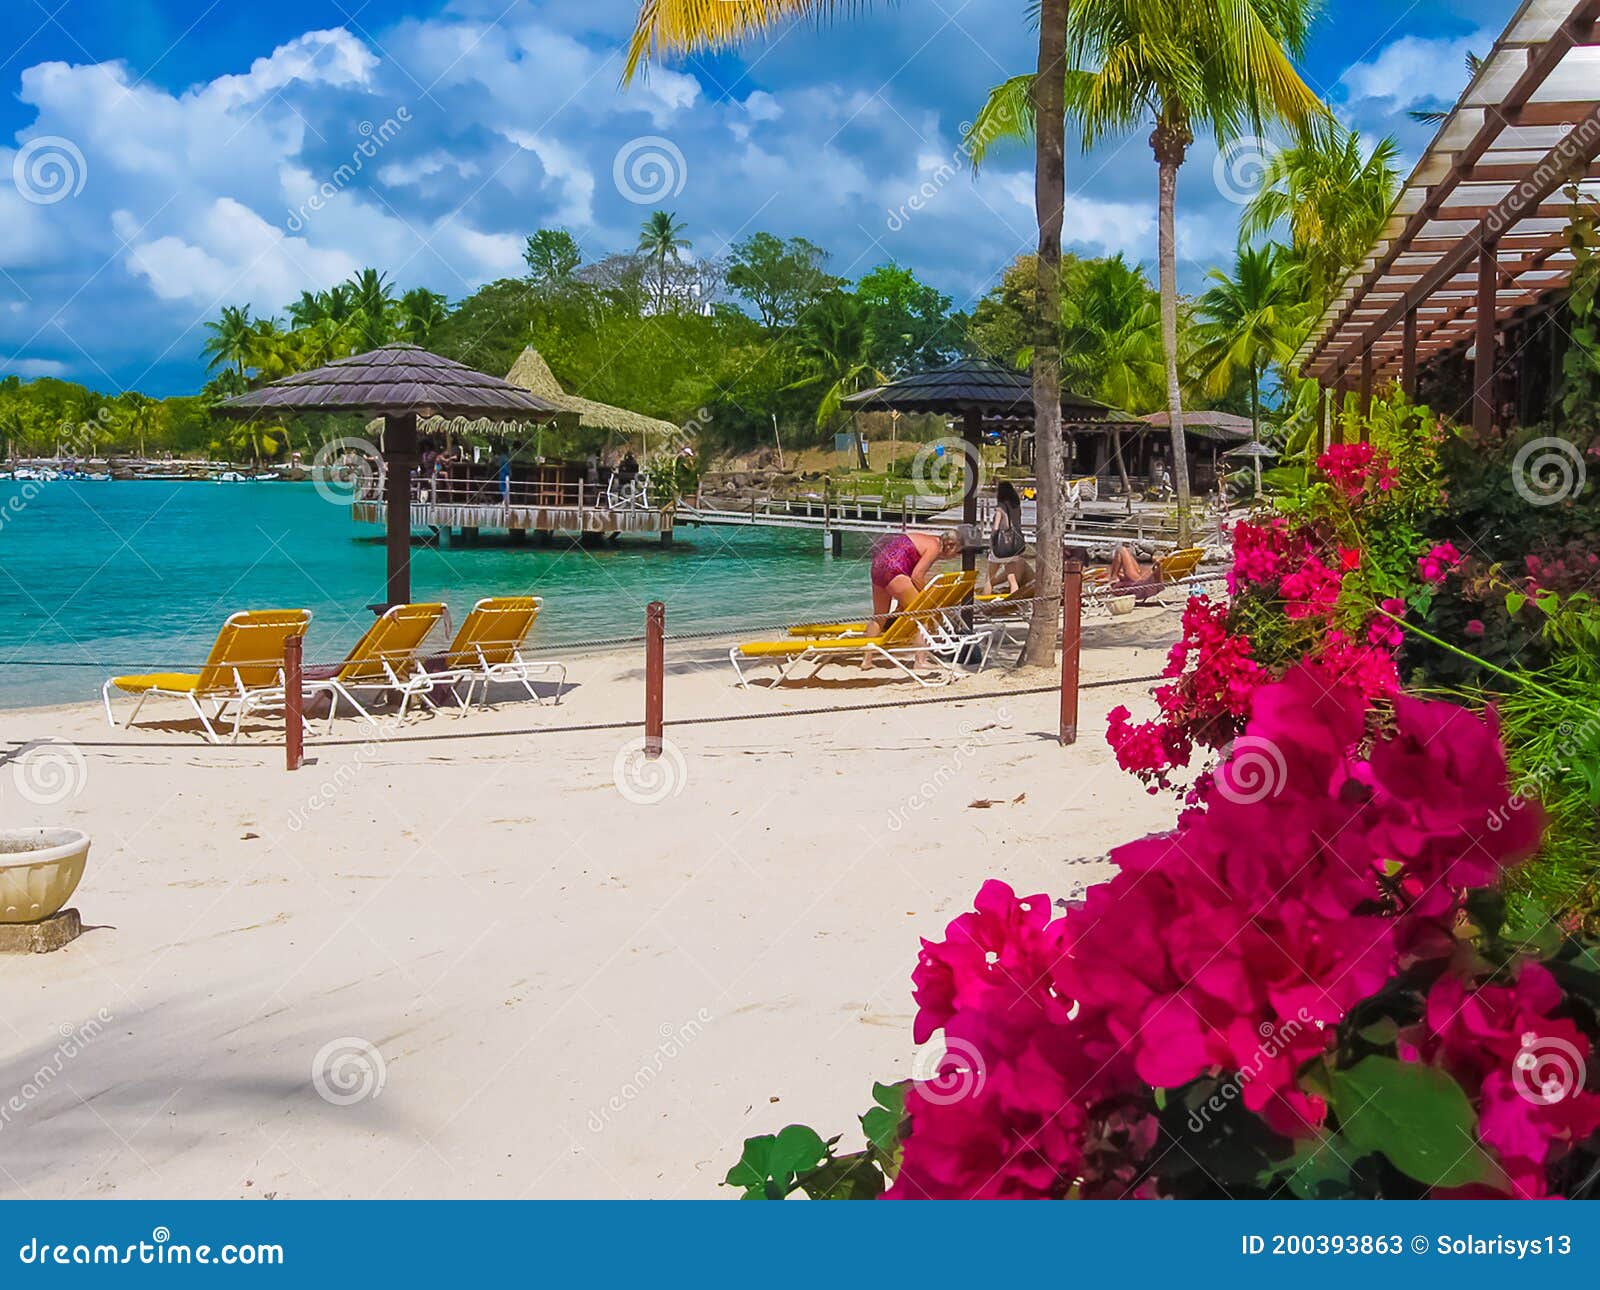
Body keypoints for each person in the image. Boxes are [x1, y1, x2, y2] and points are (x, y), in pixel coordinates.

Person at [869, 529, 961, 636]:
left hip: (878, 566)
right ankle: (921, 652)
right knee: (924, 615)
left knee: (879, 616)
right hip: (894, 570)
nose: (957, 556)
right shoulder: (934, 547)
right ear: (950, 545)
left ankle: (868, 652)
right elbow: (917, 576)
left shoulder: (926, 540)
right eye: (959, 552)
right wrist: (926, 597)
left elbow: (905, 565)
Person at [985, 481, 1030, 596]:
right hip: (1014, 547)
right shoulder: (1016, 507)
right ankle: (1013, 603)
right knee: (1012, 580)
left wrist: (991, 543)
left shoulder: (1001, 507)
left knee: (989, 579)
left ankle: (983, 606)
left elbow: (996, 528)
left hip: (1001, 547)